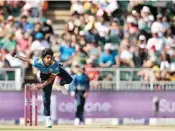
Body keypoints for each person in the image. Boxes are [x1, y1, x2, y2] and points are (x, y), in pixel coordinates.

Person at [13, 48, 73, 128]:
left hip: (55, 71)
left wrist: (42, 85)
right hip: (45, 75)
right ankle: (48, 118)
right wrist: (18, 56)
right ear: (43, 58)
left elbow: (51, 78)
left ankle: (60, 84)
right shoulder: (38, 62)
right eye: (47, 58)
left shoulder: (54, 64)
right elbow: (28, 59)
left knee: (69, 79)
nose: (49, 59)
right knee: (46, 97)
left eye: (51, 58)